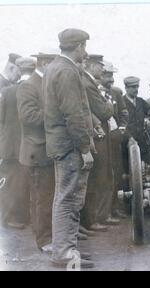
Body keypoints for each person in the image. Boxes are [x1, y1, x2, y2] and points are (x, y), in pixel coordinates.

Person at [43, 28, 95, 268]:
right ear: (79, 46)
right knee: (69, 200)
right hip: (70, 146)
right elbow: (73, 114)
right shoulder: (66, 70)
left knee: (64, 198)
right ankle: (64, 253)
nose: (86, 51)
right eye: (84, 46)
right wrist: (85, 148)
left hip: (61, 144)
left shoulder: (54, 67)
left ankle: (66, 249)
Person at [16, 53, 56, 252]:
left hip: (46, 151)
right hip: (37, 151)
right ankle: (44, 240)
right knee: (43, 198)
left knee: (45, 197)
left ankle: (45, 235)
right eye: (54, 63)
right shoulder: (28, 86)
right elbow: (28, 117)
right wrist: (56, 115)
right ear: (45, 63)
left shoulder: (45, 83)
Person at [81, 54, 116, 232]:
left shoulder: (89, 82)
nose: (102, 69)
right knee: (97, 177)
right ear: (89, 65)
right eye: (99, 65)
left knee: (102, 175)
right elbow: (103, 112)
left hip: (100, 134)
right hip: (97, 136)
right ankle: (92, 220)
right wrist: (110, 104)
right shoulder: (87, 83)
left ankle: (98, 217)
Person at [0, 57, 35, 230]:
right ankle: (20, 217)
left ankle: (11, 217)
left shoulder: (6, 92)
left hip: (9, 145)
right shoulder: (33, 90)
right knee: (22, 182)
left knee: (10, 183)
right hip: (27, 145)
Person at [99, 61, 129, 219]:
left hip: (115, 138)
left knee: (117, 174)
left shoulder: (117, 92)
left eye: (112, 76)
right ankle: (103, 213)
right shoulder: (94, 91)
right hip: (102, 139)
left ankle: (114, 208)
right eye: (107, 75)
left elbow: (124, 112)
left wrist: (122, 128)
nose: (110, 79)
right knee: (103, 175)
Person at [123, 76, 150, 163]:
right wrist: (129, 137)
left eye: (137, 87)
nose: (136, 89)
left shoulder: (140, 101)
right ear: (126, 88)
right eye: (133, 87)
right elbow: (119, 123)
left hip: (142, 142)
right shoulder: (121, 102)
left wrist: (148, 119)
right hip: (127, 144)